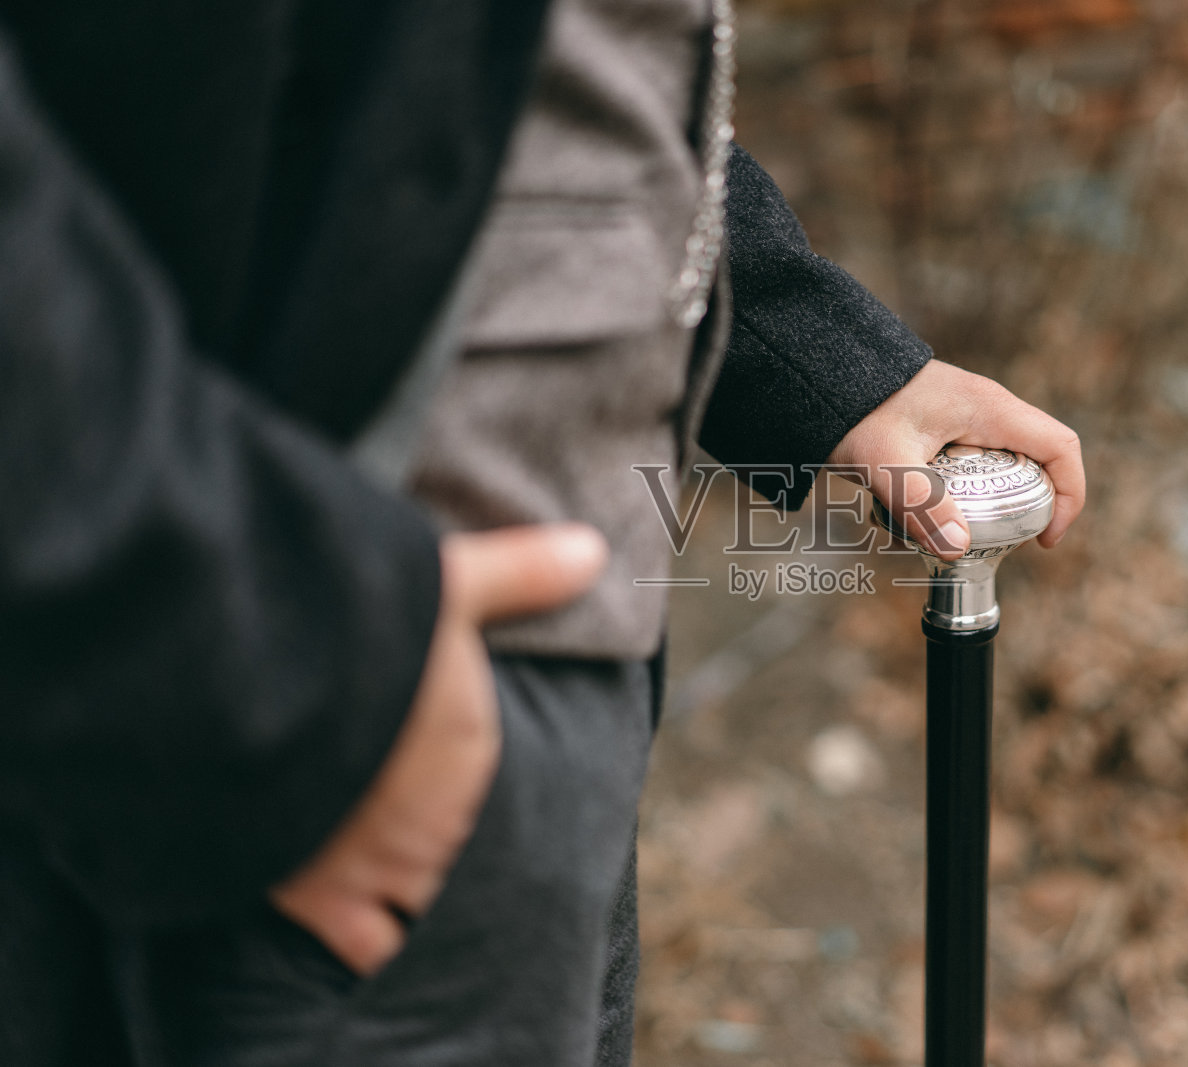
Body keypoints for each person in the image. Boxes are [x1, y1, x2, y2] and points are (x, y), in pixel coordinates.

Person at [0, 1, 1084, 1064]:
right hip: (304, 660)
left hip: (507, 661)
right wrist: (220, 616)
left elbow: (547, 67)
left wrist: (812, 356)